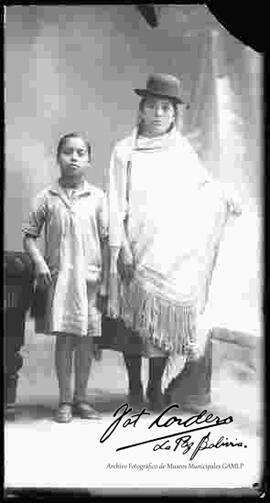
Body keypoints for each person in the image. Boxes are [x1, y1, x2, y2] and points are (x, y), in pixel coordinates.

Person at [106, 73, 241, 412]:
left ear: (174, 114)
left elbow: (203, 186)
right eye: (151, 106)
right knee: (132, 326)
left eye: (165, 107)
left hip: (167, 251)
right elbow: (114, 203)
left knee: (157, 329)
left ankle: (155, 386)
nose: (158, 113)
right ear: (141, 110)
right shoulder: (124, 152)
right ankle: (134, 386)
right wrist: (120, 247)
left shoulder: (180, 149)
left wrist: (226, 198)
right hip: (135, 247)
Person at [22, 132, 109, 423]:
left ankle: (82, 399)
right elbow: (30, 238)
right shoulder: (47, 198)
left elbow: (108, 240)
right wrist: (39, 263)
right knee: (64, 340)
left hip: (90, 281)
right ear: (57, 157)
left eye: (80, 153)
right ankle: (65, 401)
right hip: (60, 281)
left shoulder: (98, 198)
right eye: (68, 152)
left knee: (85, 341)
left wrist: (107, 280)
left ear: (89, 160)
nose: (74, 158)